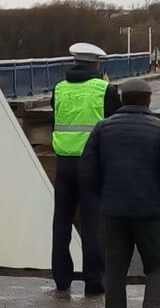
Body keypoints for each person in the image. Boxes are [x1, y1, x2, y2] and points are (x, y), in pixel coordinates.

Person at [80, 79, 160, 308]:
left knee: (115, 269)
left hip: (114, 213)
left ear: (121, 100)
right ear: (148, 100)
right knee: (157, 267)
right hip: (151, 213)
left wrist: (105, 196)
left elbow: (87, 171)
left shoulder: (102, 128)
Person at [50, 42, 122, 295]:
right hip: (92, 163)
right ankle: (94, 281)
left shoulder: (59, 88)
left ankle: (61, 278)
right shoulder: (105, 89)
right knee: (93, 223)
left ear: (74, 62)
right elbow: (115, 123)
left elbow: (56, 117)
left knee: (61, 220)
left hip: (63, 162)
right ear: (97, 64)